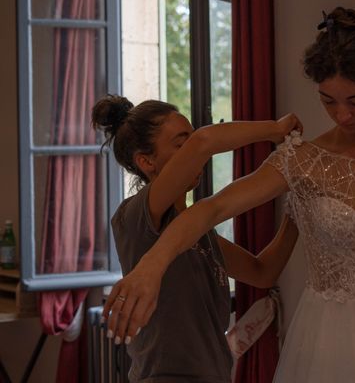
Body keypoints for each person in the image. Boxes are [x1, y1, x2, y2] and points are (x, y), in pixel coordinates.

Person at [102, 8, 355, 383]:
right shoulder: (302, 160)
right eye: (327, 101)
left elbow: (261, 270)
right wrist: (151, 267)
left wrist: (299, 213)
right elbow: (213, 206)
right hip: (330, 335)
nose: (342, 115)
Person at [91, 95, 301, 382]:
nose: (194, 152)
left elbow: (262, 272)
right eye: (182, 144)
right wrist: (274, 129)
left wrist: (297, 210)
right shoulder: (136, 218)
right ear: (147, 162)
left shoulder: (199, 232)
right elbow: (205, 142)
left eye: (190, 141)